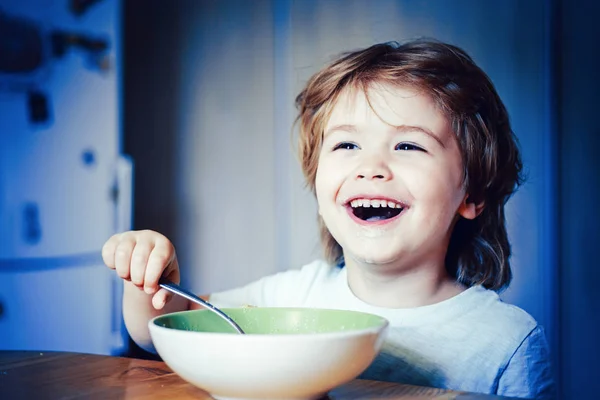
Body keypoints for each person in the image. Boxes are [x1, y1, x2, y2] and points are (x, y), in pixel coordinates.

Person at [102, 39, 555, 398]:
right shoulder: (288, 299)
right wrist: (150, 278)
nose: (371, 166)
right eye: (347, 145)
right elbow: (159, 331)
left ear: (471, 193)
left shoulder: (505, 343)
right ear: (318, 186)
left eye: (408, 145)